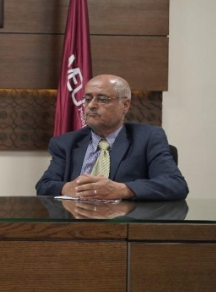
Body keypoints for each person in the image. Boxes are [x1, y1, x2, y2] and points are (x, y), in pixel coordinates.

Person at [36, 74, 188, 201]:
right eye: (87, 99)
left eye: (102, 99)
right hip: (76, 221)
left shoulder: (147, 138)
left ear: (125, 105)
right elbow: (44, 186)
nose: (91, 105)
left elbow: (175, 184)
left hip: (125, 222)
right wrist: (67, 188)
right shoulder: (66, 142)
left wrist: (122, 190)